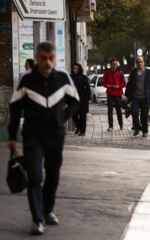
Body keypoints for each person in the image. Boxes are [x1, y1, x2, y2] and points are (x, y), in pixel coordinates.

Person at [7, 41, 80, 235]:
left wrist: (63, 118)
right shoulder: (27, 79)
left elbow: (75, 101)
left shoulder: (63, 77)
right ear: (37, 58)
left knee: (53, 176)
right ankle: (37, 219)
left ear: (54, 58)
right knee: (35, 176)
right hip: (33, 135)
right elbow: (15, 107)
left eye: (51, 58)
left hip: (56, 135)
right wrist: (12, 135)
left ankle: (48, 210)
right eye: (44, 58)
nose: (48, 62)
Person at [125, 56, 150, 137]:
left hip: (145, 98)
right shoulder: (133, 72)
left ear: (144, 62)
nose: (139, 64)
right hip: (135, 97)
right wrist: (128, 95)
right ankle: (137, 128)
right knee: (134, 112)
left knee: (144, 115)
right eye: (138, 62)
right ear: (136, 63)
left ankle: (145, 130)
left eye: (141, 62)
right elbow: (129, 84)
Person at [102, 58, 126, 131]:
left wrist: (119, 86)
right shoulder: (106, 73)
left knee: (119, 110)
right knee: (110, 110)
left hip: (118, 94)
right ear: (110, 65)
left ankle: (121, 125)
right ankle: (110, 126)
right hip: (110, 93)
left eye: (116, 64)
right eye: (113, 64)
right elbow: (103, 82)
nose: (115, 66)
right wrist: (107, 85)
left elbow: (124, 83)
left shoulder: (120, 73)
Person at [71, 63, 91, 136]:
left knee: (82, 116)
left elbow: (88, 88)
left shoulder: (83, 77)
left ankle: (83, 131)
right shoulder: (71, 77)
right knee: (73, 114)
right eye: (74, 68)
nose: (75, 70)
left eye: (76, 68)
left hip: (83, 98)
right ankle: (79, 126)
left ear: (79, 69)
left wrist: (89, 98)